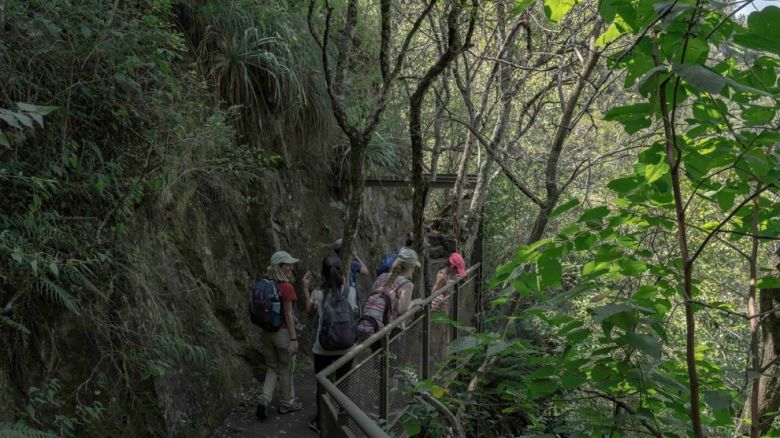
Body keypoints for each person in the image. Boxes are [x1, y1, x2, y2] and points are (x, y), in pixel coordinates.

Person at [302, 255, 359, 433]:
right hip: (346, 349)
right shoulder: (351, 292)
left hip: (323, 350)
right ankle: (343, 425)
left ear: (323, 274)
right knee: (343, 388)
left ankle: (323, 424)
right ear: (341, 271)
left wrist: (305, 288)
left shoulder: (318, 294)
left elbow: (309, 312)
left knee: (322, 389)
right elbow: (355, 313)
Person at [256, 250, 314, 420]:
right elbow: (288, 315)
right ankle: (287, 403)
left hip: (266, 333)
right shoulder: (286, 287)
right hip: (282, 333)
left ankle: (264, 399)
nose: (291, 267)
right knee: (287, 368)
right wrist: (294, 338)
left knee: (272, 366)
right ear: (279, 267)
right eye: (288, 264)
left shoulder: (266, 284)